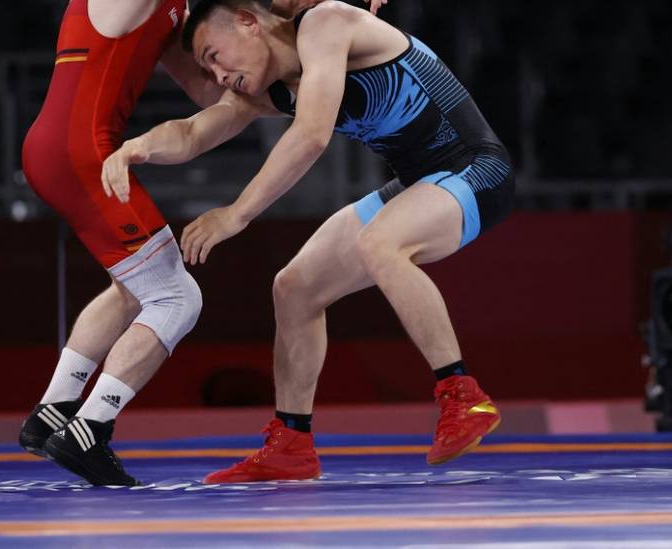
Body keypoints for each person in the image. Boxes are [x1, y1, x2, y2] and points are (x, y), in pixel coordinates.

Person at [102, 0, 514, 483]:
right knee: (295, 287)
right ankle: (291, 444)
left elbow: (312, 135)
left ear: (248, 22)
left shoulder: (326, 22)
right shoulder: (273, 89)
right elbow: (195, 131)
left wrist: (236, 214)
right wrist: (137, 147)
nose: (218, 75)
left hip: (474, 168)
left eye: (214, 55)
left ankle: (462, 395)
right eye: (208, 69)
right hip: (417, 183)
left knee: (380, 244)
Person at [19, 0, 387, 487]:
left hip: (64, 150)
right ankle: (88, 428)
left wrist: (312, 80)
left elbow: (211, 93)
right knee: (176, 297)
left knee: (133, 288)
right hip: (80, 154)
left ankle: (54, 410)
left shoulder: (177, 11)